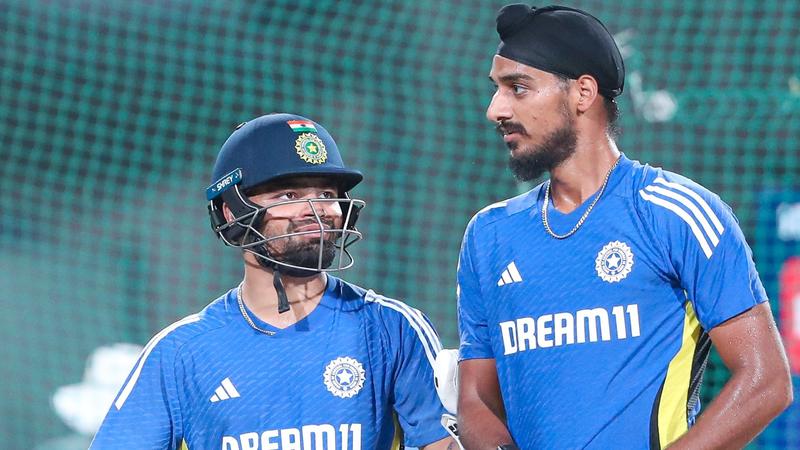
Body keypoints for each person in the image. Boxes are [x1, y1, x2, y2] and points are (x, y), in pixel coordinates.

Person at [455, 4, 793, 449]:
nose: (494, 109)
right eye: (497, 89)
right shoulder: (488, 235)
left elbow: (766, 381)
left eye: (518, 88)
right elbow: (476, 396)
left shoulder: (676, 213)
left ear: (582, 93)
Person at [91, 113, 454, 449]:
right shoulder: (181, 352)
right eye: (289, 195)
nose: (316, 210)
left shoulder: (392, 327)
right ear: (232, 211)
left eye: (326, 195)